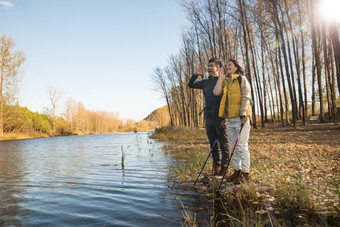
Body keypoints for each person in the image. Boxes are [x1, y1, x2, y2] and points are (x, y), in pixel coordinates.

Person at [188, 58, 229, 177]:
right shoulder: (205, 82)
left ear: (218, 68)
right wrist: (196, 74)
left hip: (220, 117)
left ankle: (224, 170)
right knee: (213, 144)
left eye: (212, 66)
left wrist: (225, 118)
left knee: (224, 144)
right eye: (208, 66)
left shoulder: (223, 81)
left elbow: (227, 100)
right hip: (208, 118)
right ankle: (216, 168)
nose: (209, 68)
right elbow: (190, 85)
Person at [213, 59, 252, 183]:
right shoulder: (226, 82)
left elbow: (246, 96)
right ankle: (237, 172)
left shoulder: (241, 79)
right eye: (226, 65)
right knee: (234, 148)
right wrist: (221, 78)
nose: (227, 66)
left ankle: (245, 174)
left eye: (230, 65)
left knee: (242, 146)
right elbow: (216, 92)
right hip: (229, 120)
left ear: (236, 67)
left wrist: (243, 114)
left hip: (241, 118)